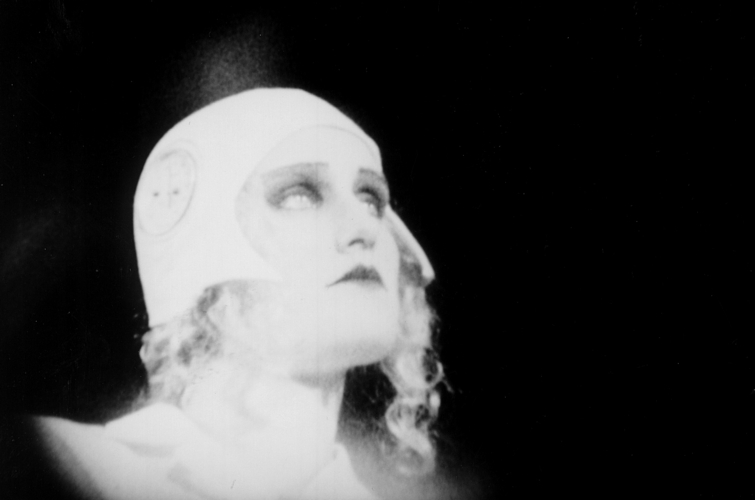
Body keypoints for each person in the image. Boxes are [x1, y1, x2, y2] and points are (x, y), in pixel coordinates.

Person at [32, 87, 444, 499]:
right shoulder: (60, 464)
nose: (366, 226)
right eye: (299, 196)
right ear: (206, 244)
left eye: (372, 200)